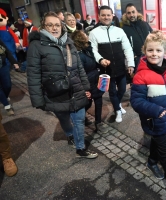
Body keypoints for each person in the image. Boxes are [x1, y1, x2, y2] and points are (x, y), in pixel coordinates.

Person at [26, 11, 98, 159]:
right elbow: (33, 74)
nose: (54, 28)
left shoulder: (68, 42)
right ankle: (70, 135)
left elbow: (79, 68)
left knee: (79, 119)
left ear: (61, 26)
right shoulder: (36, 46)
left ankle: (80, 148)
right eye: (50, 25)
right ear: (43, 27)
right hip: (55, 93)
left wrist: (86, 87)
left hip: (75, 89)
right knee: (64, 118)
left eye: (57, 25)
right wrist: (38, 99)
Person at [130, 30, 166, 200]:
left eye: (158, 50)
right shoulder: (141, 75)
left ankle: (152, 162)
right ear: (145, 52)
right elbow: (137, 102)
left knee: (156, 140)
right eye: (150, 50)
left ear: (165, 52)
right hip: (154, 120)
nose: (154, 54)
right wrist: (155, 110)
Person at [89, 6, 134, 123]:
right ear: (99, 16)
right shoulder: (94, 33)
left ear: (112, 15)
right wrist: (100, 59)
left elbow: (128, 48)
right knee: (112, 92)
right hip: (106, 69)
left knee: (123, 89)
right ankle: (117, 109)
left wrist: (131, 64)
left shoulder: (119, 31)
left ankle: (117, 104)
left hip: (120, 67)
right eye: (103, 15)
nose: (106, 17)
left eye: (108, 15)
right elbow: (92, 50)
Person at [71, 30, 109, 133]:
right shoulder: (79, 55)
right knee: (87, 103)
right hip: (88, 82)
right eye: (84, 35)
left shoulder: (89, 49)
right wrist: (84, 88)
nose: (87, 36)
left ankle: (98, 123)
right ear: (80, 39)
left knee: (99, 101)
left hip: (97, 79)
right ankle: (81, 118)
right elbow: (80, 73)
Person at [122, 3, 152, 72]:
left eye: (133, 12)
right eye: (129, 13)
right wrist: (134, 57)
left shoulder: (145, 24)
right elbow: (124, 46)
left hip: (150, 57)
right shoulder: (124, 29)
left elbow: (153, 36)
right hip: (137, 61)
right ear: (126, 15)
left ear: (137, 12)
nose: (131, 15)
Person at [0, 38, 19, 115]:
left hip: (3, 65)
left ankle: (4, 97)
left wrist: (14, 62)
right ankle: (7, 106)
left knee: (7, 85)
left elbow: (7, 51)